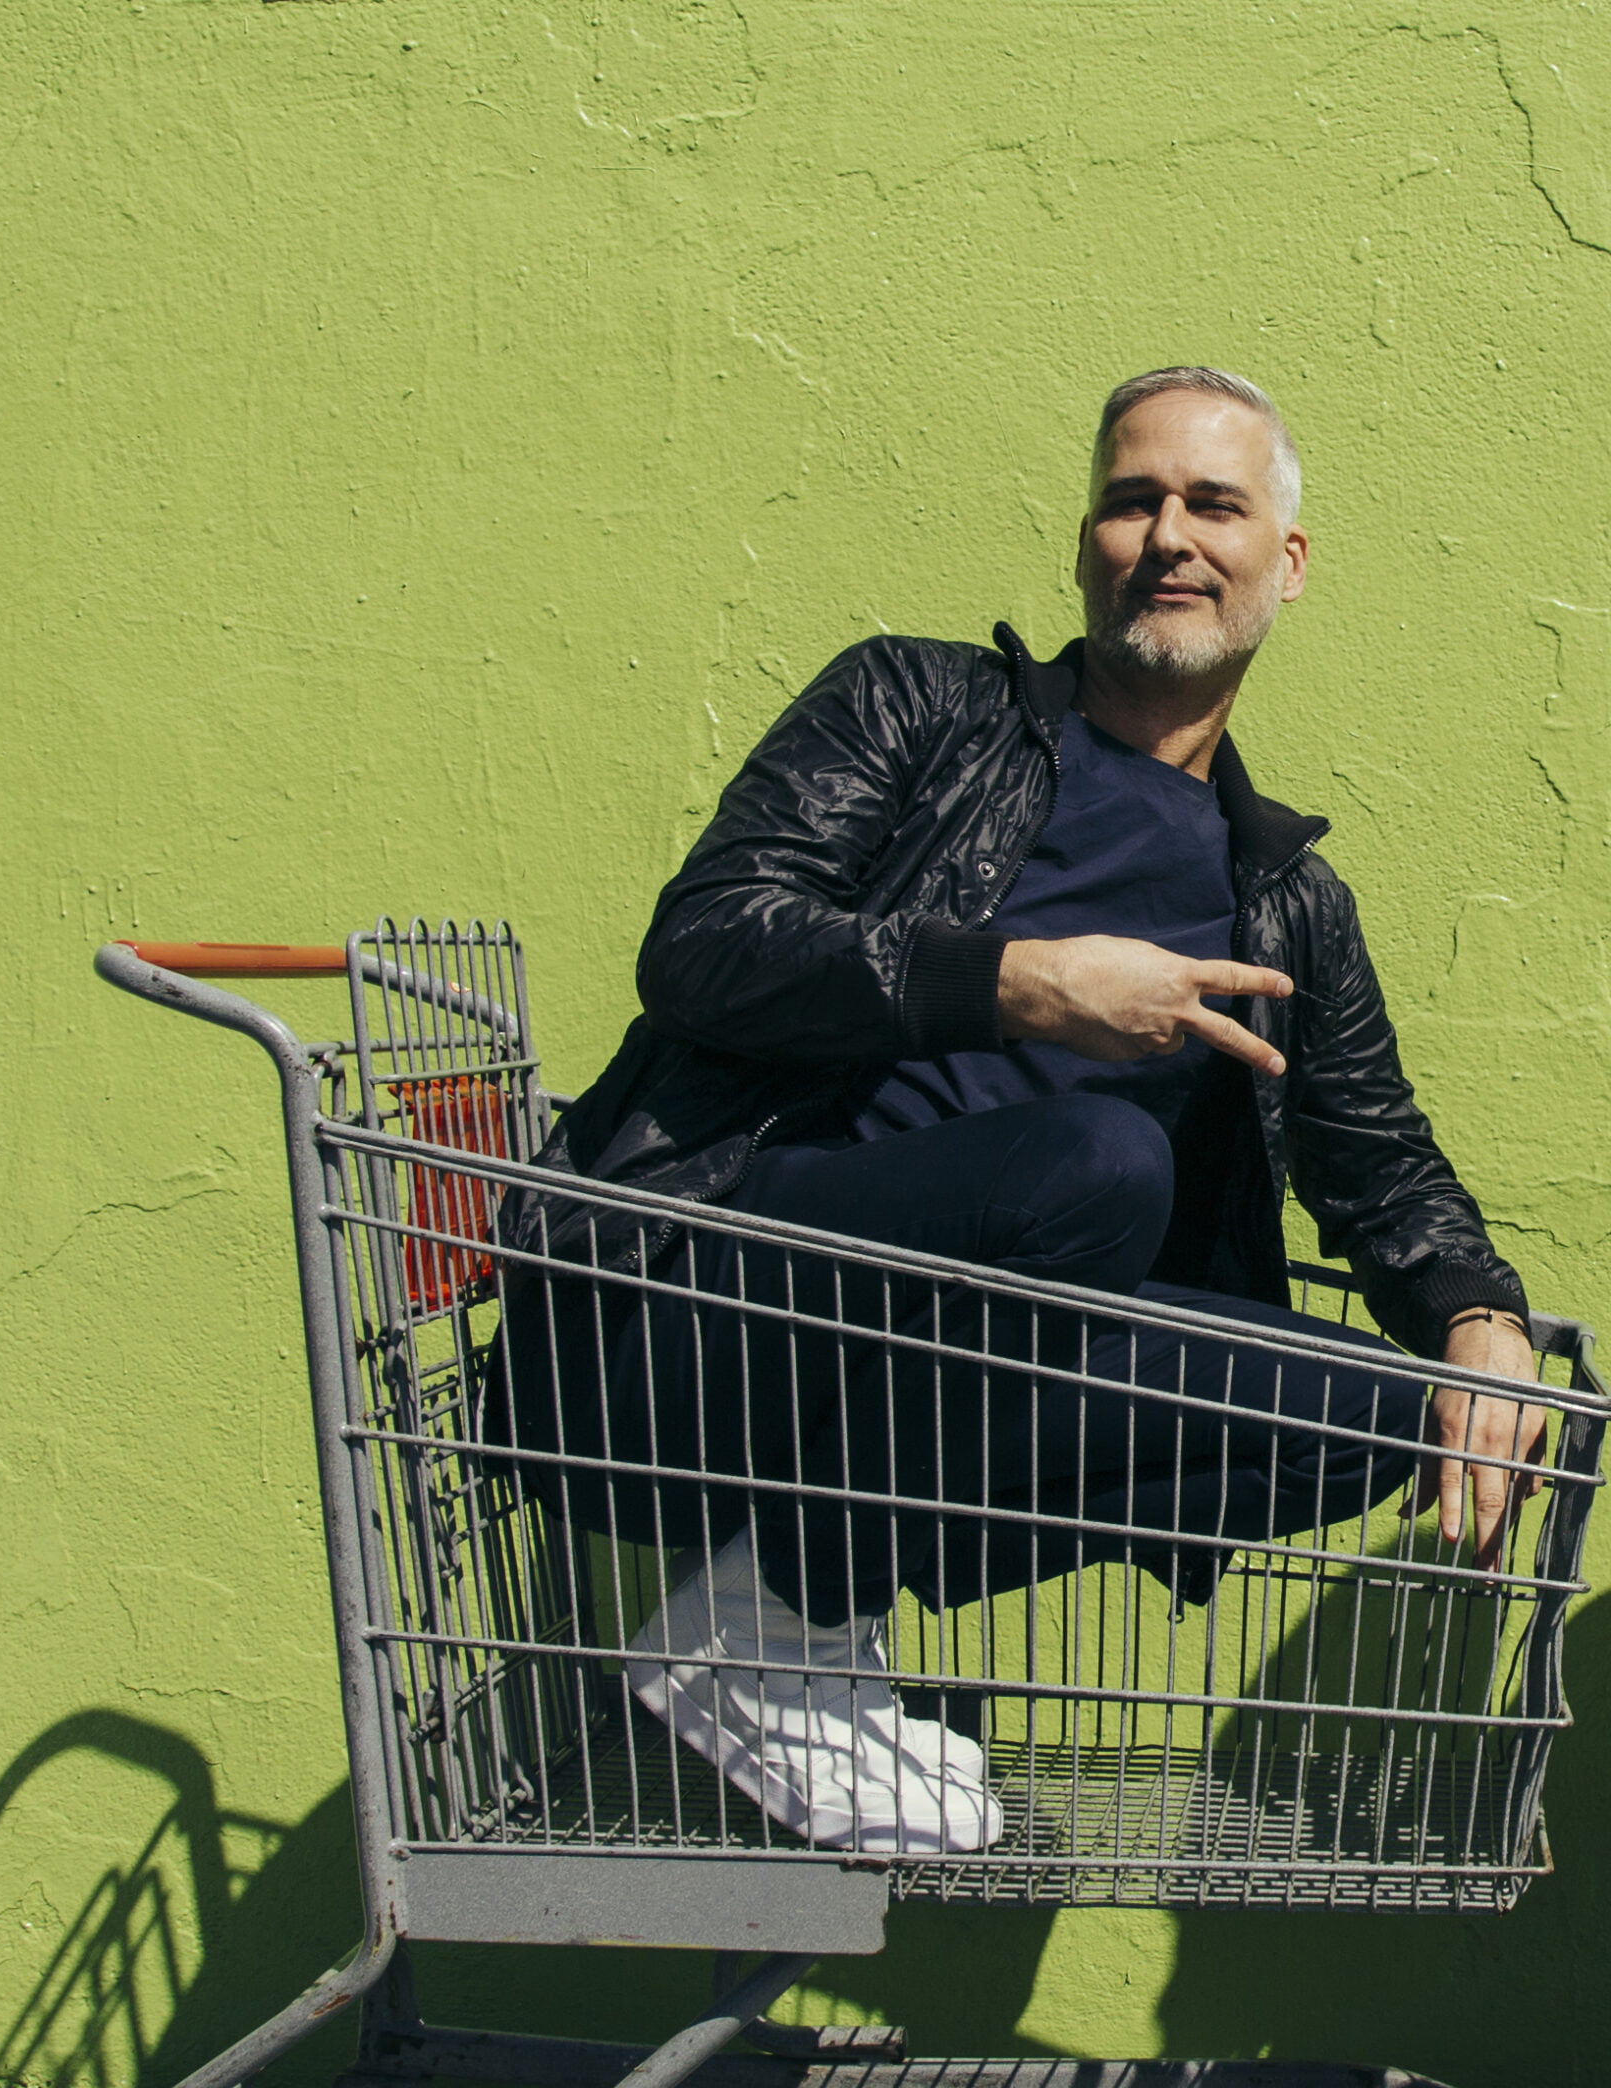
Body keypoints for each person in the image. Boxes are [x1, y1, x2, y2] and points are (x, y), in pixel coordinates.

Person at [498, 367, 1542, 1855]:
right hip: (705, 1307)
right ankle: (782, 1619)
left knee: (1379, 1415)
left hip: (944, 1376)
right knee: (1102, 1166)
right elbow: (708, 944)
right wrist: (1012, 983)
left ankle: (792, 1599)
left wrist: (1477, 1318)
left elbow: (1378, 1162)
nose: (1169, 535)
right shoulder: (921, 709)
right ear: (1087, 541)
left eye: (1215, 504)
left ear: (1287, 561)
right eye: (1133, 501)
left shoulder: (1288, 903)